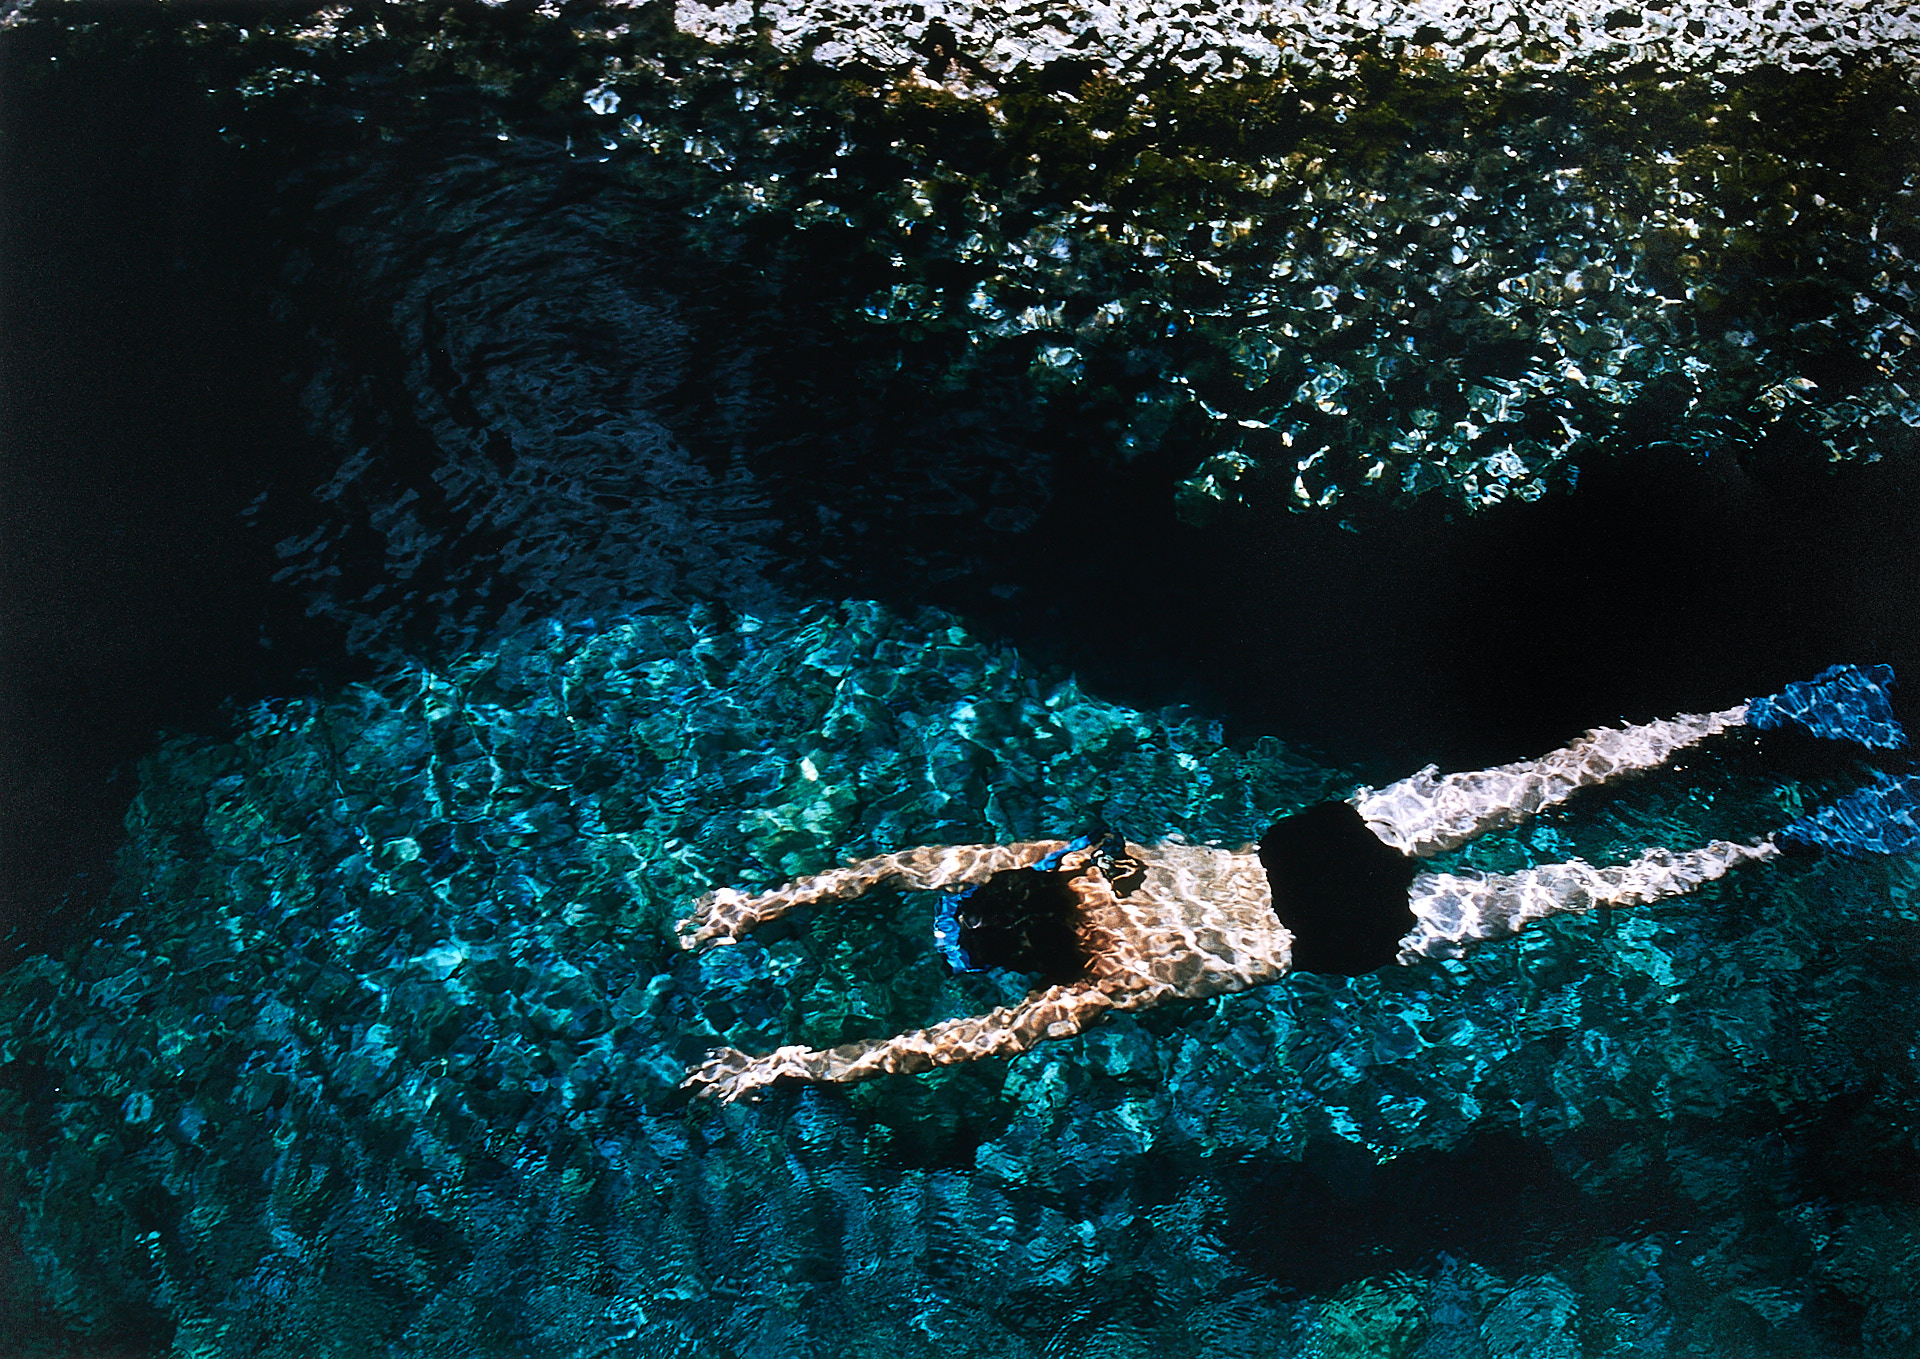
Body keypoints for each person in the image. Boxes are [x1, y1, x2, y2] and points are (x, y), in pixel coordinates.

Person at [677, 665, 1917, 1101]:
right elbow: (898, 866)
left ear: (1027, 953)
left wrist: (793, 1065)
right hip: (1315, 845)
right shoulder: (1061, 858)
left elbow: (937, 1045)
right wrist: (765, 902)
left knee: (1603, 885)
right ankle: (1769, 707)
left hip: (1343, 933)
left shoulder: (1096, 991)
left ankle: (1797, 841)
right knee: (1551, 777)